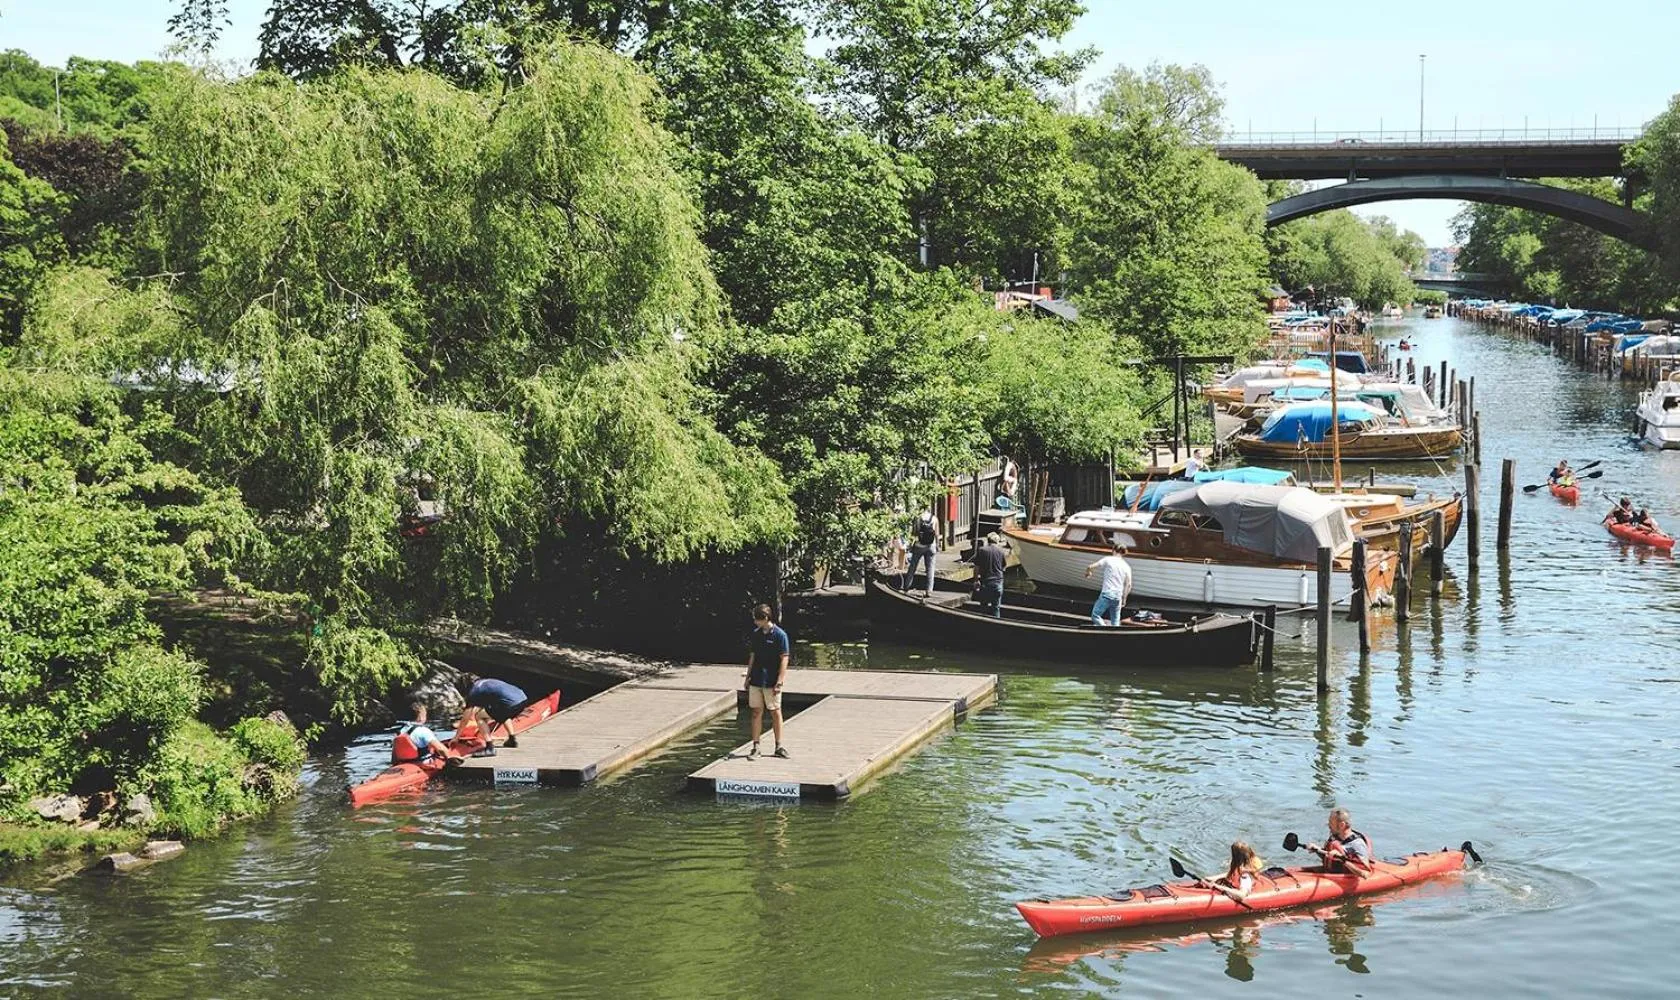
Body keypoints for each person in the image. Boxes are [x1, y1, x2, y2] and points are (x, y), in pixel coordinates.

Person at [742, 604, 790, 760]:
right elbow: (753, 656)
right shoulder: (756, 634)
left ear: (765, 618)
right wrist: (748, 677)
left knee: (775, 711)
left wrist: (780, 681)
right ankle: (756, 746)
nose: (755, 622)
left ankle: (779, 746)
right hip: (757, 679)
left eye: (757, 619)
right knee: (756, 712)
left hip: (772, 680)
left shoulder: (780, 635)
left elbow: (784, 658)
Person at [458, 674, 530, 749]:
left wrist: (456, 738)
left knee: (479, 716)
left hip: (510, 704)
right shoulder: (486, 682)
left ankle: (489, 747)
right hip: (523, 699)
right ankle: (512, 739)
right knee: (502, 713)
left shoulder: (474, 691)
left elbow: (465, 720)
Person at [1305, 807, 1372, 874]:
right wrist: (1317, 850)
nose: (1328, 825)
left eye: (1331, 822)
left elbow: (1365, 873)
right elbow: (1330, 858)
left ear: (1342, 825)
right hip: (1330, 875)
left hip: (1346, 879)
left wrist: (1343, 860)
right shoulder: (1335, 837)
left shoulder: (1357, 844)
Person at [1082, 540, 1132, 627]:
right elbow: (1129, 585)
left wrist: (1088, 573)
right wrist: (1124, 599)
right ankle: (1114, 636)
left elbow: (1090, 566)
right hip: (1118, 597)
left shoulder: (1108, 559)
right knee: (1115, 622)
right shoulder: (1126, 566)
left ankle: (1104, 629)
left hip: (1107, 594)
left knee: (1095, 615)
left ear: (1113, 550)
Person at [973, 532, 1008, 617]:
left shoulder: (981, 550)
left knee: (983, 607)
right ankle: (996, 626)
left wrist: (976, 580)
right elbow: (1004, 567)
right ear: (997, 541)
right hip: (998, 583)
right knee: (996, 608)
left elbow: (976, 568)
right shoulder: (1001, 551)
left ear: (988, 540)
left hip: (986, 583)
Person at [905, 509, 939, 596]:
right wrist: (937, 545)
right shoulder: (934, 518)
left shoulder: (918, 518)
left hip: (919, 546)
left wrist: (910, 545)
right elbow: (937, 534)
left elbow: (914, 533)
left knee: (913, 566)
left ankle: (907, 586)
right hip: (931, 546)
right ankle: (929, 591)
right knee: (930, 569)